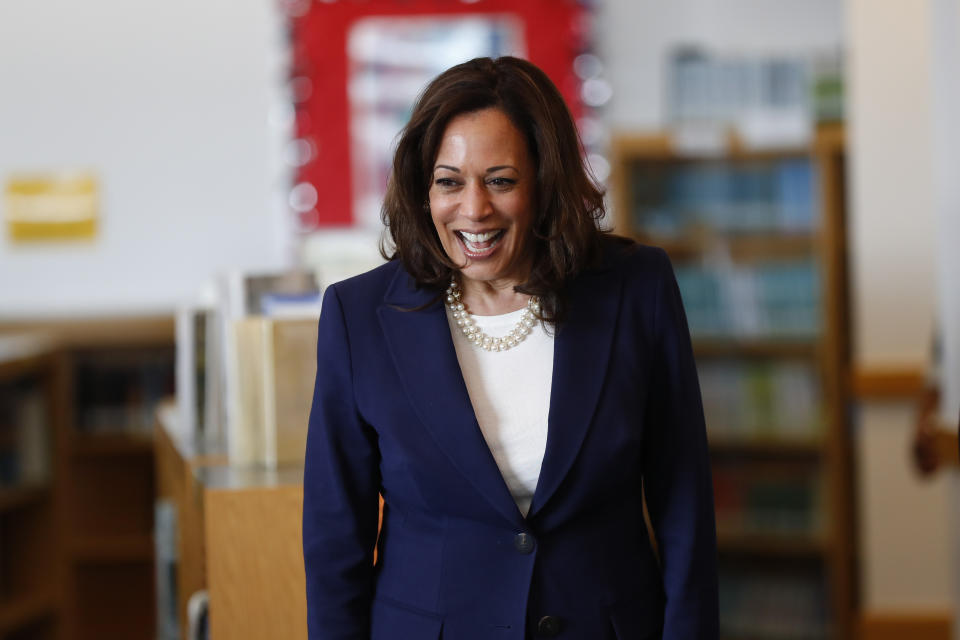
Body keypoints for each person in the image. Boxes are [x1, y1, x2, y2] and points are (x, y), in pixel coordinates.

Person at [302, 56, 718, 640]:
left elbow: (685, 505)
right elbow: (333, 539)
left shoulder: (636, 287)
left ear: (546, 182)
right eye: (449, 182)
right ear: (423, 191)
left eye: (500, 180)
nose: (474, 210)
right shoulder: (358, 316)